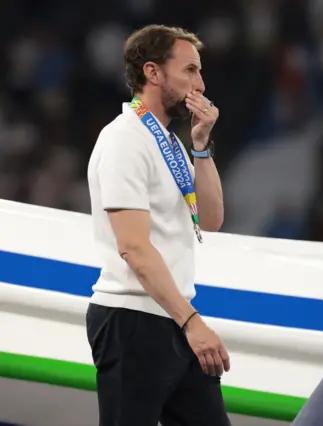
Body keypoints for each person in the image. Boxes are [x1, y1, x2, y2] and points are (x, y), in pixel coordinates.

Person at [85, 24, 231, 426]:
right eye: (190, 70)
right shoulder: (124, 140)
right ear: (153, 73)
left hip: (171, 315)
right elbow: (133, 247)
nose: (200, 85)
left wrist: (201, 145)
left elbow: (213, 218)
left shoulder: (169, 143)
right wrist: (191, 321)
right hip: (132, 318)